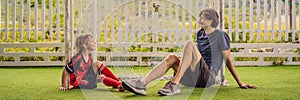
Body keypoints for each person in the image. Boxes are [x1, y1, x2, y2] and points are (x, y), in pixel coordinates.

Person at [122, 8, 257, 96]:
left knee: (189, 44)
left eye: (203, 18)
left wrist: (240, 83)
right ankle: (142, 84)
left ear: (211, 20)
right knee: (172, 57)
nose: (200, 20)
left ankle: (174, 84)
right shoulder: (200, 34)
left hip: (207, 77)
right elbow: (193, 58)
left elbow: (227, 60)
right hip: (194, 77)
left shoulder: (220, 35)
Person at [60, 33, 124, 92]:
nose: (95, 43)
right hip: (79, 81)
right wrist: (63, 85)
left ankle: (117, 81)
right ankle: (120, 84)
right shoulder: (78, 58)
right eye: (92, 41)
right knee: (100, 77)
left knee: (97, 63)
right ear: (84, 45)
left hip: (85, 76)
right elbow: (65, 70)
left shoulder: (89, 56)